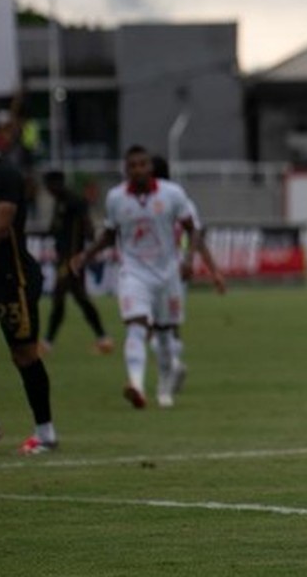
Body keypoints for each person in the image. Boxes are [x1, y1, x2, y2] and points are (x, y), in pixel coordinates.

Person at [71, 146, 206, 408]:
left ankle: (164, 388)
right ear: (126, 169)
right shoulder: (116, 198)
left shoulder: (172, 194)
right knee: (136, 326)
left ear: (150, 167)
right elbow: (110, 235)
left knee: (166, 335)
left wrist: (189, 260)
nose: (138, 169)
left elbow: (193, 229)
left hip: (168, 274)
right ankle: (136, 384)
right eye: (133, 165)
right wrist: (86, 256)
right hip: (134, 272)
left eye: (143, 164)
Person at [0, 145, 59, 454]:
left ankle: (45, 433)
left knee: (24, 356)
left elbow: (0, 228)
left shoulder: (4, 174)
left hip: (12, 280)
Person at [148, 155, 227, 407]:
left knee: (156, 324)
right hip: (164, 271)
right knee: (163, 323)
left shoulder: (163, 201)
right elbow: (197, 235)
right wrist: (212, 270)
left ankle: (172, 365)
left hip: (162, 270)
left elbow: (196, 234)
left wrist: (204, 266)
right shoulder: (168, 201)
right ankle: (173, 365)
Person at [40, 171, 113, 355]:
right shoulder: (60, 202)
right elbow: (56, 227)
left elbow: (87, 226)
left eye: (49, 185)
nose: (48, 190)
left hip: (72, 259)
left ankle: (47, 342)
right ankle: (103, 338)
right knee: (80, 298)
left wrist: (85, 242)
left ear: (56, 184)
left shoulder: (75, 201)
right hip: (64, 257)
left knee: (59, 296)